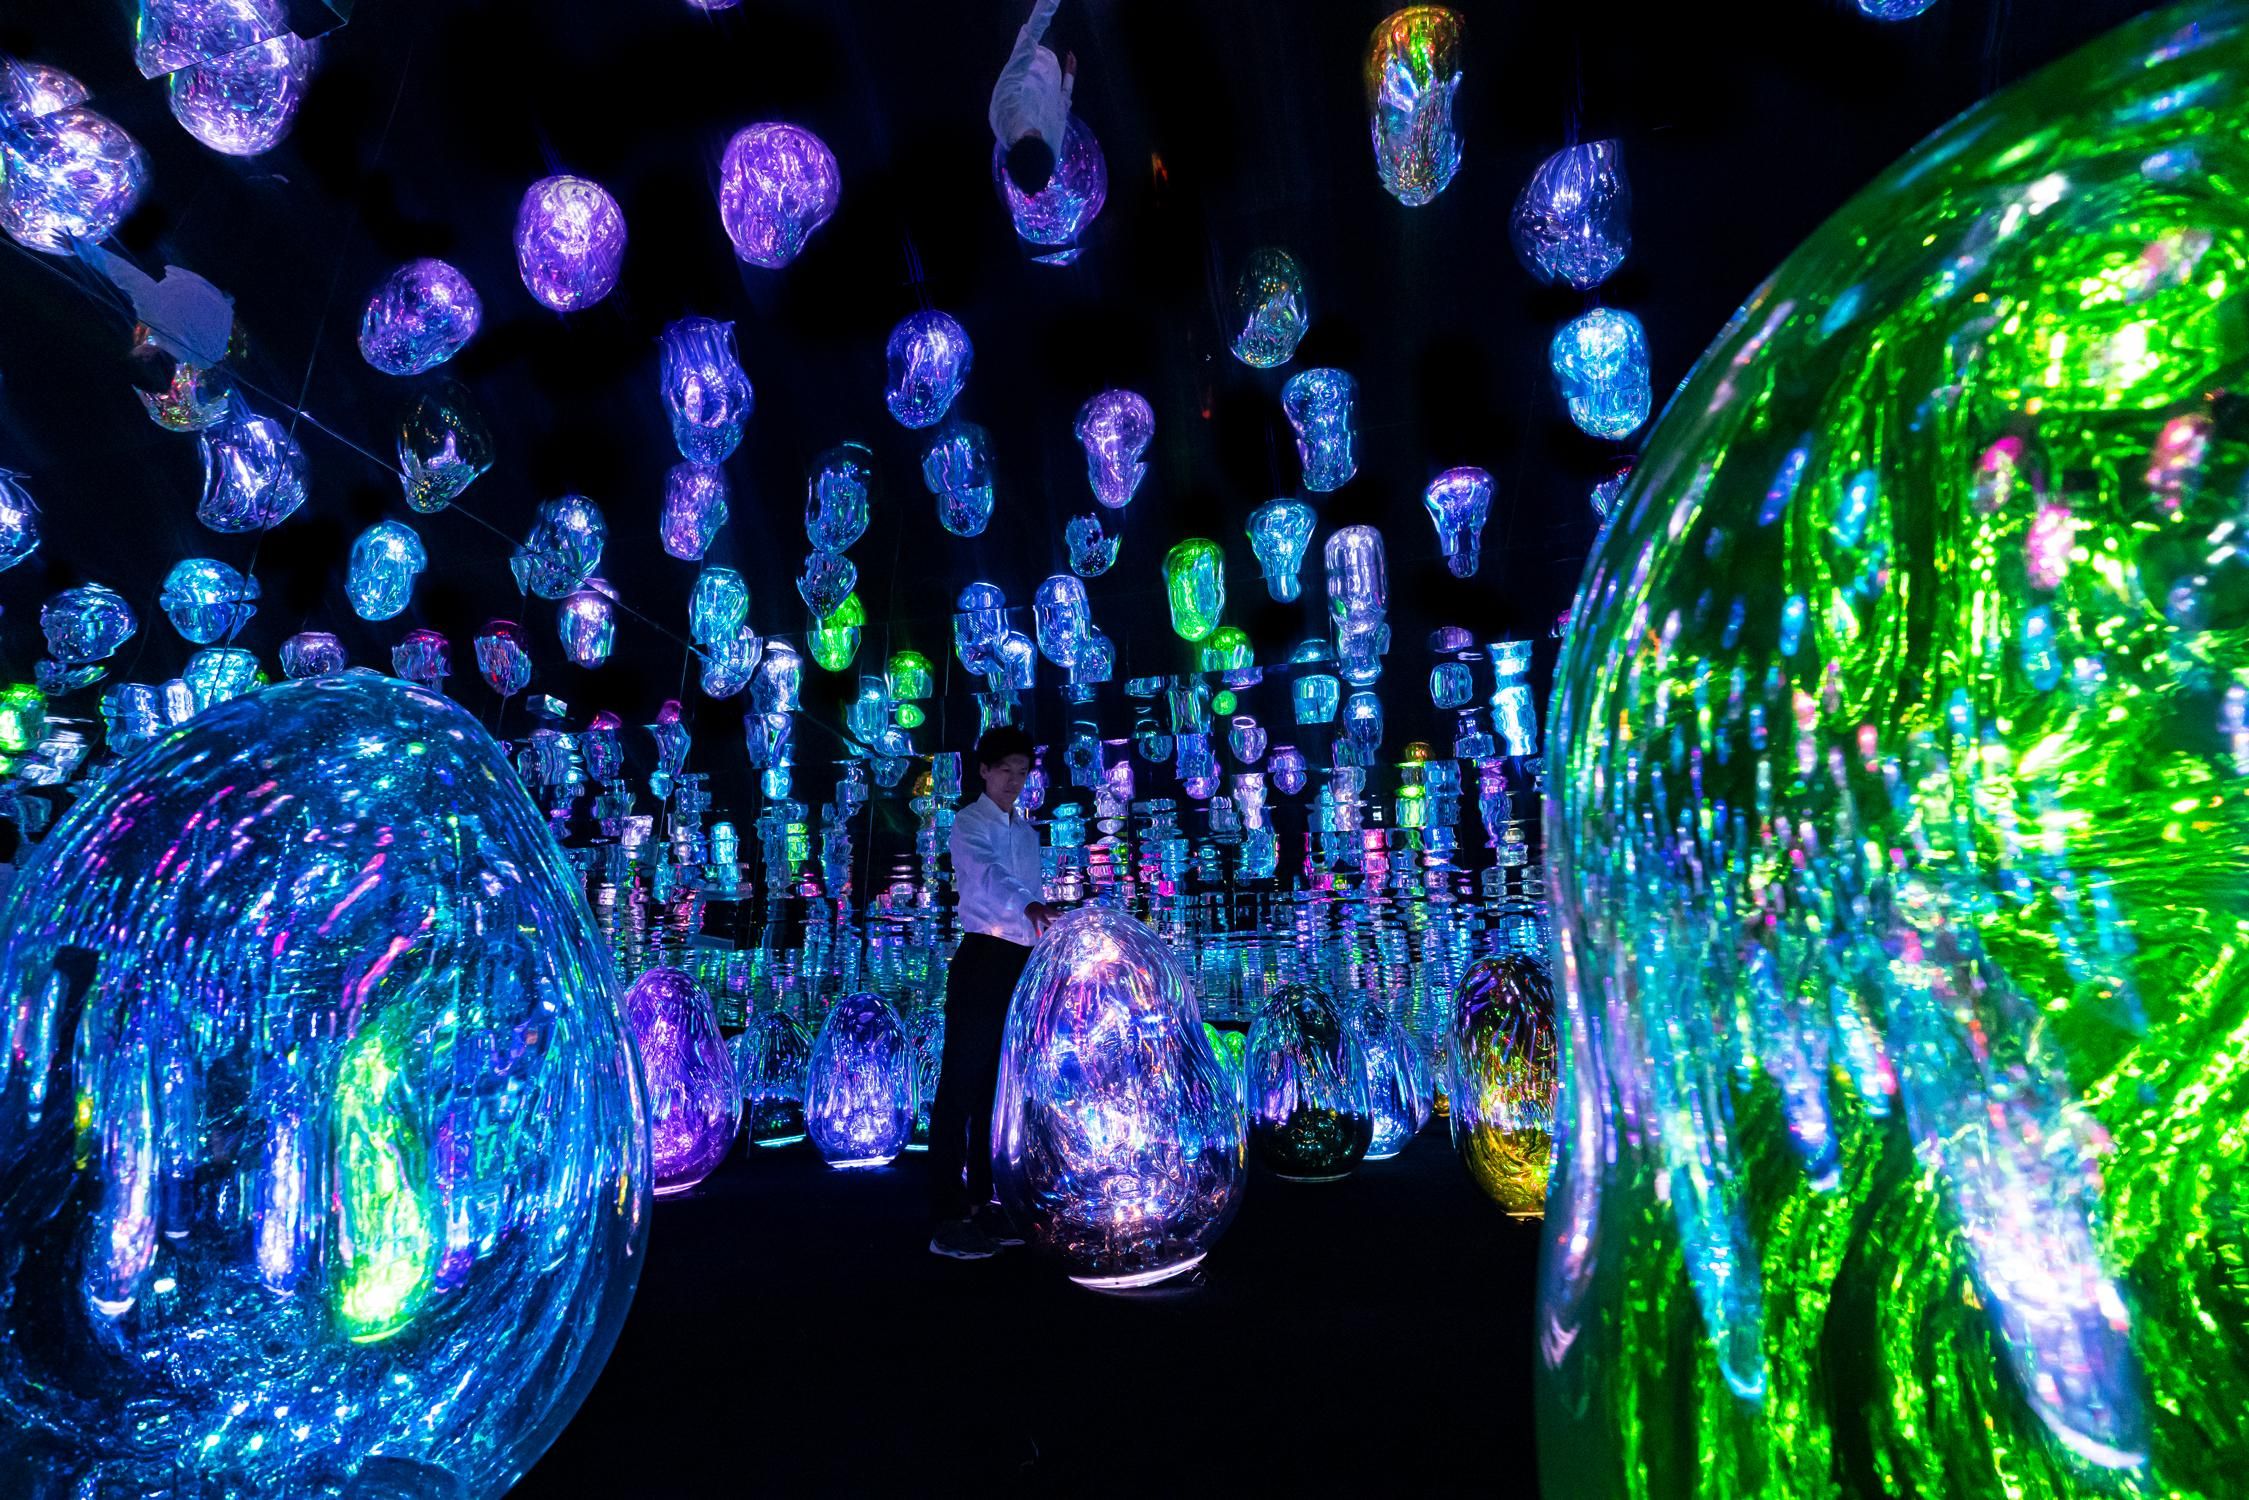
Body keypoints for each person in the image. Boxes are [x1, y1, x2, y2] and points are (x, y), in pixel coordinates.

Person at [928, 725, 1055, 1260]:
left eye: (1022, 772)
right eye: (1005, 770)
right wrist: (1029, 905)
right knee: (961, 1084)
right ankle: (946, 1215)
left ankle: (985, 1201)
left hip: (1020, 961)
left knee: (998, 1088)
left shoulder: (1027, 832)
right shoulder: (969, 822)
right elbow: (990, 873)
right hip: (982, 957)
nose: (1014, 781)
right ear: (983, 770)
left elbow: (1030, 892)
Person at [989, 0, 1076, 197]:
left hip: (1026, 42)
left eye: (1034, 136)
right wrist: (1069, 78)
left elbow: (1028, 40)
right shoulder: (1048, 153)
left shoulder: (1003, 109)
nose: (1040, 133)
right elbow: (1060, 115)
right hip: (1051, 60)